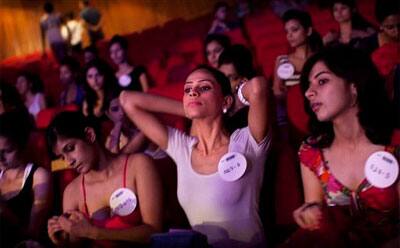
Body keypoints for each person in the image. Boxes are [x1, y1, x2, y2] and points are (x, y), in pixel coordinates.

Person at [120, 65, 271, 247]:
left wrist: (235, 100)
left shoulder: (246, 142)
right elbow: (127, 100)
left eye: (204, 87)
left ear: (225, 101)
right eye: (188, 89)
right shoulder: (182, 147)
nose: (193, 92)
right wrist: (188, 109)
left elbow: (258, 87)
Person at [283, 45, 399, 247]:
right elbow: (317, 218)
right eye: (308, 86)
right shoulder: (311, 152)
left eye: (322, 81)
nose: (309, 93)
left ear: (354, 85)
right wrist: (310, 213)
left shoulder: (395, 144)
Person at [46, 111, 162, 247]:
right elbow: (76, 241)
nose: (69, 161)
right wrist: (64, 239)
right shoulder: (72, 192)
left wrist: (95, 233)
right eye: (62, 157)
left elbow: (154, 231)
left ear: (90, 135)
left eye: (70, 148)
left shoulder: (138, 165)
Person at [0, 111, 52, 247]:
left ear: (21, 146)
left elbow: (33, 232)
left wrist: (5, 212)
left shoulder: (39, 176)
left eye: (7, 151)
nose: (0, 158)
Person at [272, 9, 322, 142]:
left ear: (308, 31)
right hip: (294, 117)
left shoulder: (320, 58)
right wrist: (293, 95)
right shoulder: (282, 61)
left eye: (294, 30)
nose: (289, 35)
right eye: (287, 32)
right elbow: (277, 91)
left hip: (321, 114)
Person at [218, 44, 257, 132]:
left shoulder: (251, 113)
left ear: (243, 81)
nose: (221, 82)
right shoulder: (219, 104)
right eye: (220, 76)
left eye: (229, 78)